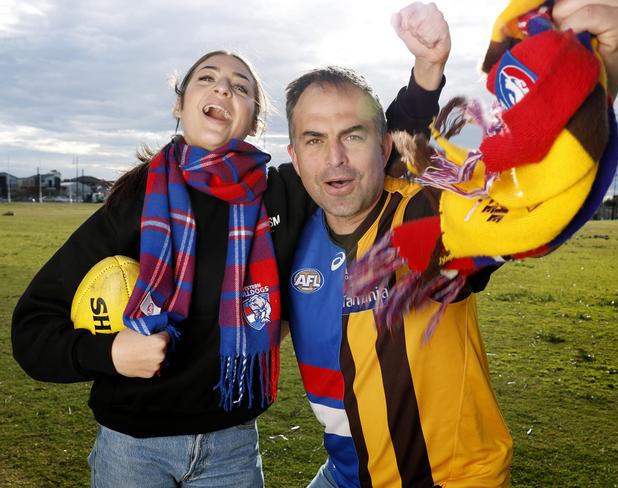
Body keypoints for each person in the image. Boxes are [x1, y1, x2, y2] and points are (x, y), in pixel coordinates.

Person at [11, 19, 444, 488]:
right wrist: (111, 352)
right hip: (132, 448)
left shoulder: (280, 195)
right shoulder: (133, 205)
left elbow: (371, 143)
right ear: (181, 104)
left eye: (240, 86)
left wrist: (426, 69)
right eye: (207, 77)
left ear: (252, 121)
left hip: (232, 450)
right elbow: (33, 328)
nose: (223, 87)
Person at [285, 1, 618, 487]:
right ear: (293, 155)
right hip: (345, 475)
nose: (335, 159)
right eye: (313, 139)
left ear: (385, 144)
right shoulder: (288, 228)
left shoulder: (426, 214)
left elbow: (536, 180)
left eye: (353, 135)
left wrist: (606, 57)